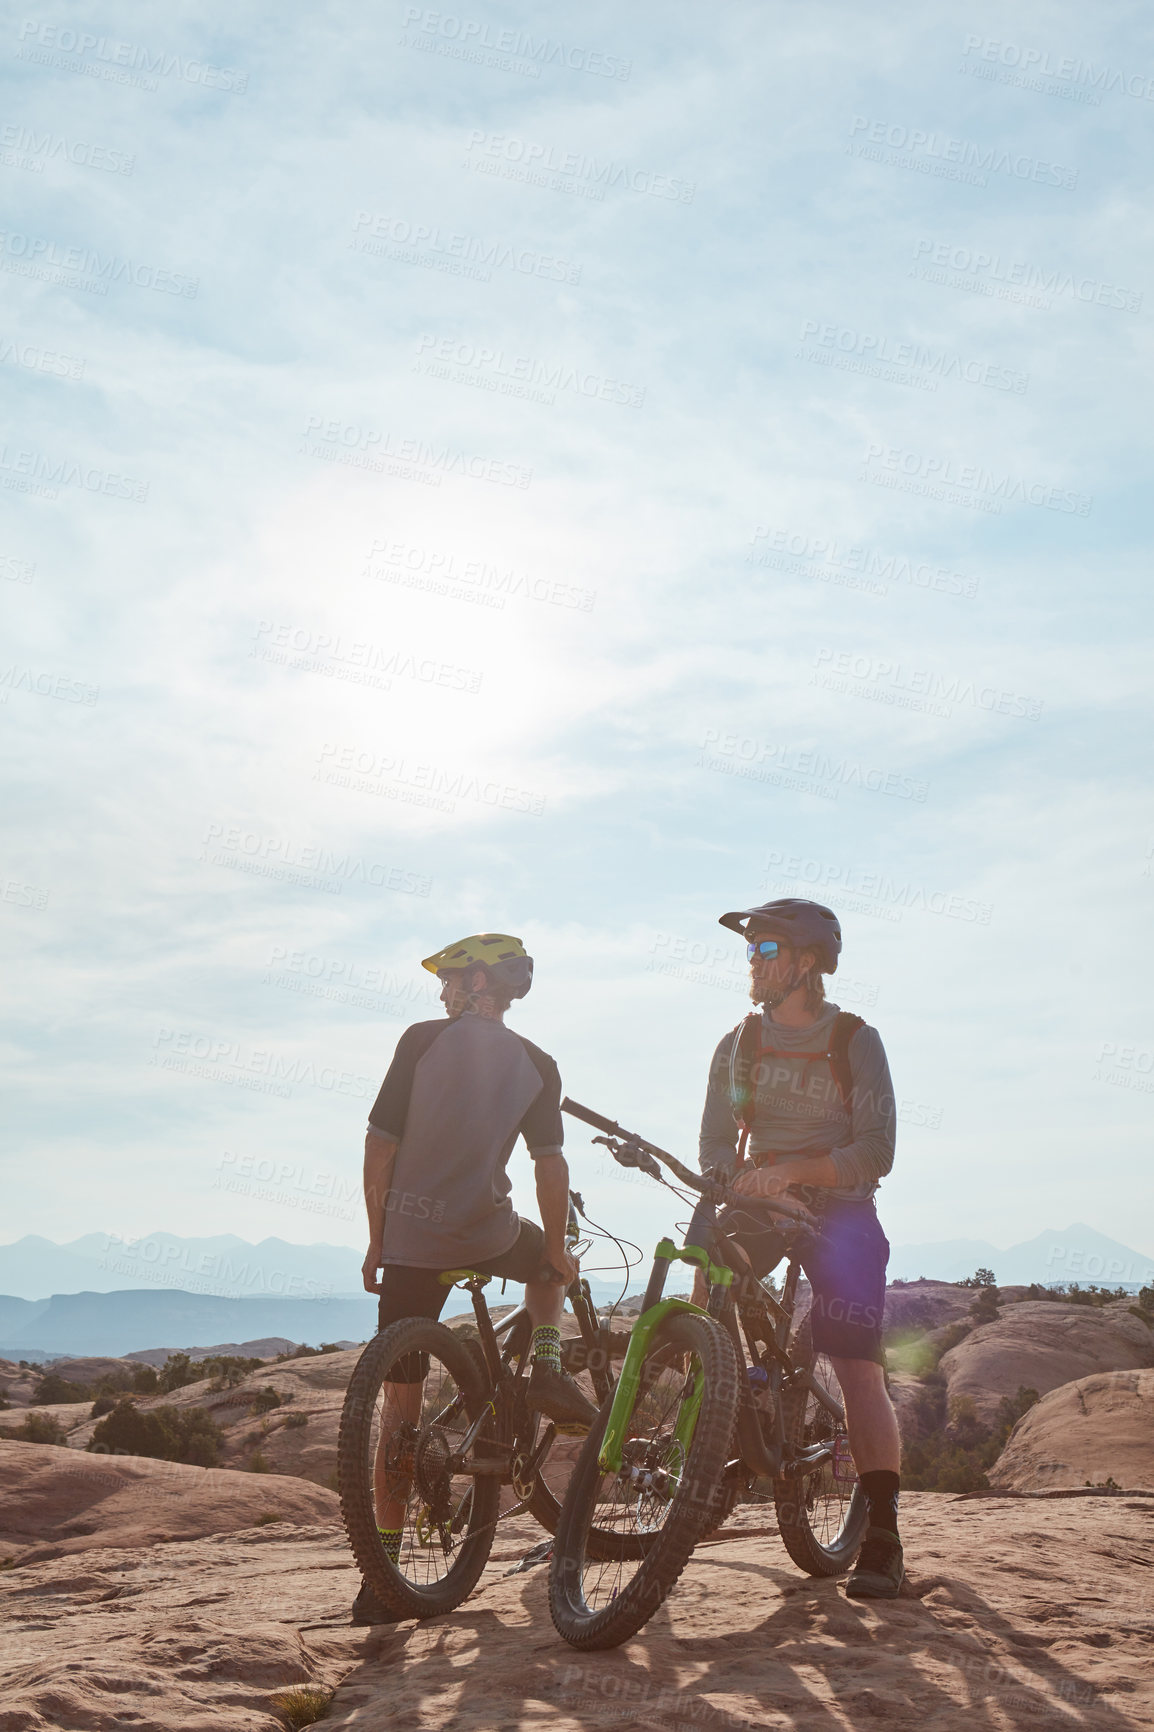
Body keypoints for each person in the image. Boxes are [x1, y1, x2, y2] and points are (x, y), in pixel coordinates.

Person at [354, 932, 596, 1623]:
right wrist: (556, 1246)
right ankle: (547, 1361)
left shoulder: (419, 1041)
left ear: (480, 982)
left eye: (451, 980)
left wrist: (377, 1239)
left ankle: (382, 1577)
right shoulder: (538, 1063)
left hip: (408, 1243)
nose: (442, 993)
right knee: (553, 1252)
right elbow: (552, 1166)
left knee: (398, 1415)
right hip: (488, 1233)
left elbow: (380, 1145)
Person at [698, 897, 905, 1599]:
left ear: (806, 962)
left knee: (855, 1368)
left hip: (841, 1210)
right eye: (750, 950)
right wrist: (748, 1184)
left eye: (764, 950)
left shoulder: (854, 1039)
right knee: (703, 1275)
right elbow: (714, 1147)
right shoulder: (739, 1042)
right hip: (762, 1204)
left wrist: (794, 1172)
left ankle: (882, 1535)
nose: (750, 962)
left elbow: (876, 1152)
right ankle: (718, 1436)